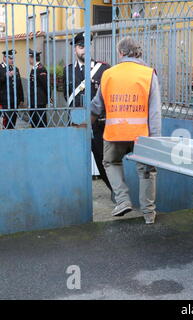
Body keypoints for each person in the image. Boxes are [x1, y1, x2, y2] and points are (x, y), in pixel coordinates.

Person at [91, 36, 161, 225]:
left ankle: (122, 200)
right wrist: (155, 140)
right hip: (142, 136)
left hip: (114, 133)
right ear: (138, 52)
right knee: (147, 171)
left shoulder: (109, 74)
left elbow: (96, 107)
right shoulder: (148, 74)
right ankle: (148, 214)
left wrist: (86, 124)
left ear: (120, 53)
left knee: (111, 162)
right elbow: (154, 112)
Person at [63, 32, 114, 201]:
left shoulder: (103, 69)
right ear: (75, 49)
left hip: (98, 124)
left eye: (87, 46)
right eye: (80, 46)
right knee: (75, 160)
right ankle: (75, 196)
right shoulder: (68, 71)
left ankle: (115, 191)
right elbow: (66, 96)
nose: (84, 50)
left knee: (103, 160)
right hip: (77, 123)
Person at [0, 49, 24, 129]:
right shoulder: (0, 68)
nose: (12, 60)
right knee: (6, 120)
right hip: (4, 100)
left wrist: (21, 98)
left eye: (13, 58)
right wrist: (5, 76)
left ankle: (11, 133)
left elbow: (19, 84)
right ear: (4, 58)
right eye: (10, 58)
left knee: (13, 120)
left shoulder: (15, 69)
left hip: (15, 100)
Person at [28, 49, 48, 128]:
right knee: (34, 122)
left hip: (39, 100)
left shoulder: (41, 69)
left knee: (40, 122)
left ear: (32, 58)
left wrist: (48, 98)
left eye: (29, 58)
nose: (29, 60)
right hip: (34, 100)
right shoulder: (34, 68)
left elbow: (45, 85)